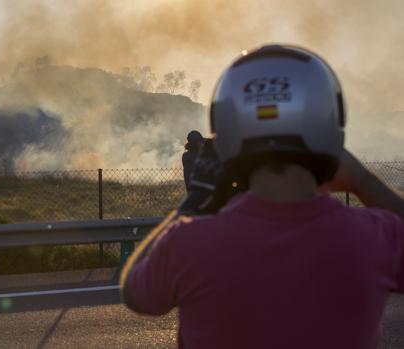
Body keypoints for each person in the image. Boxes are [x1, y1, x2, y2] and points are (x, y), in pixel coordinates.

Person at [120, 44, 404, 348]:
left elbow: (136, 295)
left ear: (227, 128)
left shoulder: (188, 243)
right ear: (329, 120)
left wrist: (193, 204)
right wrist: (362, 181)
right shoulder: (373, 236)